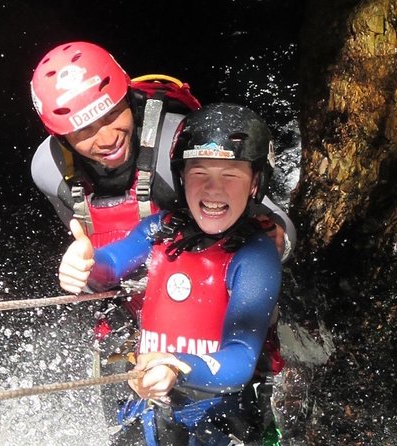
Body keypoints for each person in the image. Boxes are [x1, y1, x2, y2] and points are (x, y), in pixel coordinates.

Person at [59, 103, 284, 445]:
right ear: (181, 178)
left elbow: (240, 356)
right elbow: (112, 264)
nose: (213, 189)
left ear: (255, 183)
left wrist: (176, 367)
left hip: (225, 418)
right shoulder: (161, 229)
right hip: (152, 405)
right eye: (199, 174)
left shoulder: (255, 255)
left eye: (230, 175)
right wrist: (86, 263)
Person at [29, 41, 296, 259]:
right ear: (62, 138)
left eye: (111, 115)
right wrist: (85, 269)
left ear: (129, 100)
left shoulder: (179, 144)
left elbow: (274, 218)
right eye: (84, 130)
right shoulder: (49, 170)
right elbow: (85, 242)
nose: (108, 139)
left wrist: (277, 240)